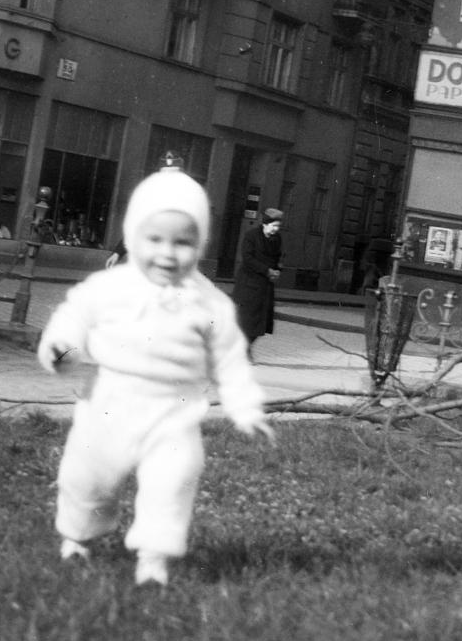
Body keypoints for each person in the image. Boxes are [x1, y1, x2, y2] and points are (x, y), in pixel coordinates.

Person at [36, 169, 275, 585]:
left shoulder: (209, 302)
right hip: (108, 399)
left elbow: (230, 357)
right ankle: (77, 537)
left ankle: (154, 558)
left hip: (173, 410)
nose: (167, 253)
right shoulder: (109, 286)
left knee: (174, 478)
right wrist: (63, 349)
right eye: (155, 240)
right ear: (132, 237)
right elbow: (73, 315)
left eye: (182, 242)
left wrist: (245, 407)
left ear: (199, 245)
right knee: (86, 475)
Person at [232, 207, 284, 355]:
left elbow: (279, 258)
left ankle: (245, 347)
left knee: (262, 322)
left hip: (265, 286)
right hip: (249, 284)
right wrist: (267, 270)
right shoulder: (251, 236)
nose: (276, 229)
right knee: (248, 321)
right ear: (265, 224)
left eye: (278, 226)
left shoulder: (277, 239)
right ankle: (243, 349)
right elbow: (248, 259)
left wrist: (278, 270)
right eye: (274, 225)